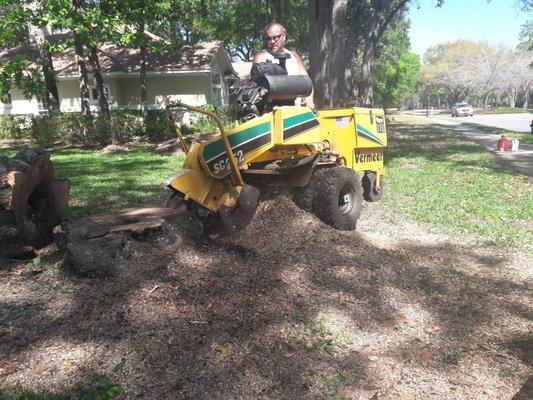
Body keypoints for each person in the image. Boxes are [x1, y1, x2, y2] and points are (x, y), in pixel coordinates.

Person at [253, 22, 315, 109]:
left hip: (300, 111)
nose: (272, 42)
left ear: (284, 36)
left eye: (275, 37)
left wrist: (309, 100)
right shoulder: (261, 57)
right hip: (274, 112)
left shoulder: (295, 56)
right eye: (268, 39)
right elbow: (260, 89)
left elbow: (307, 82)